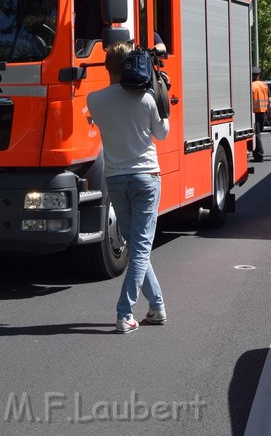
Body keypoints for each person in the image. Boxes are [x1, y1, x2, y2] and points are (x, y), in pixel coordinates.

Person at [86, 41, 170, 334]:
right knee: (141, 248)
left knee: (135, 246)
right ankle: (124, 313)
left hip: (116, 179)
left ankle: (157, 307)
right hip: (146, 177)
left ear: (107, 66)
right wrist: (161, 95)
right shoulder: (146, 98)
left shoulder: (93, 99)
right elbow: (162, 134)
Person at [250, 67, 270, 162]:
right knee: (258, 133)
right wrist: (269, 114)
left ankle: (259, 154)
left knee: (256, 134)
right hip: (263, 112)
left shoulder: (251, 86)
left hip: (253, 113)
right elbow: (269, 101)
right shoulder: (264, 85)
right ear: (259, 75)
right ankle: (258, 153)